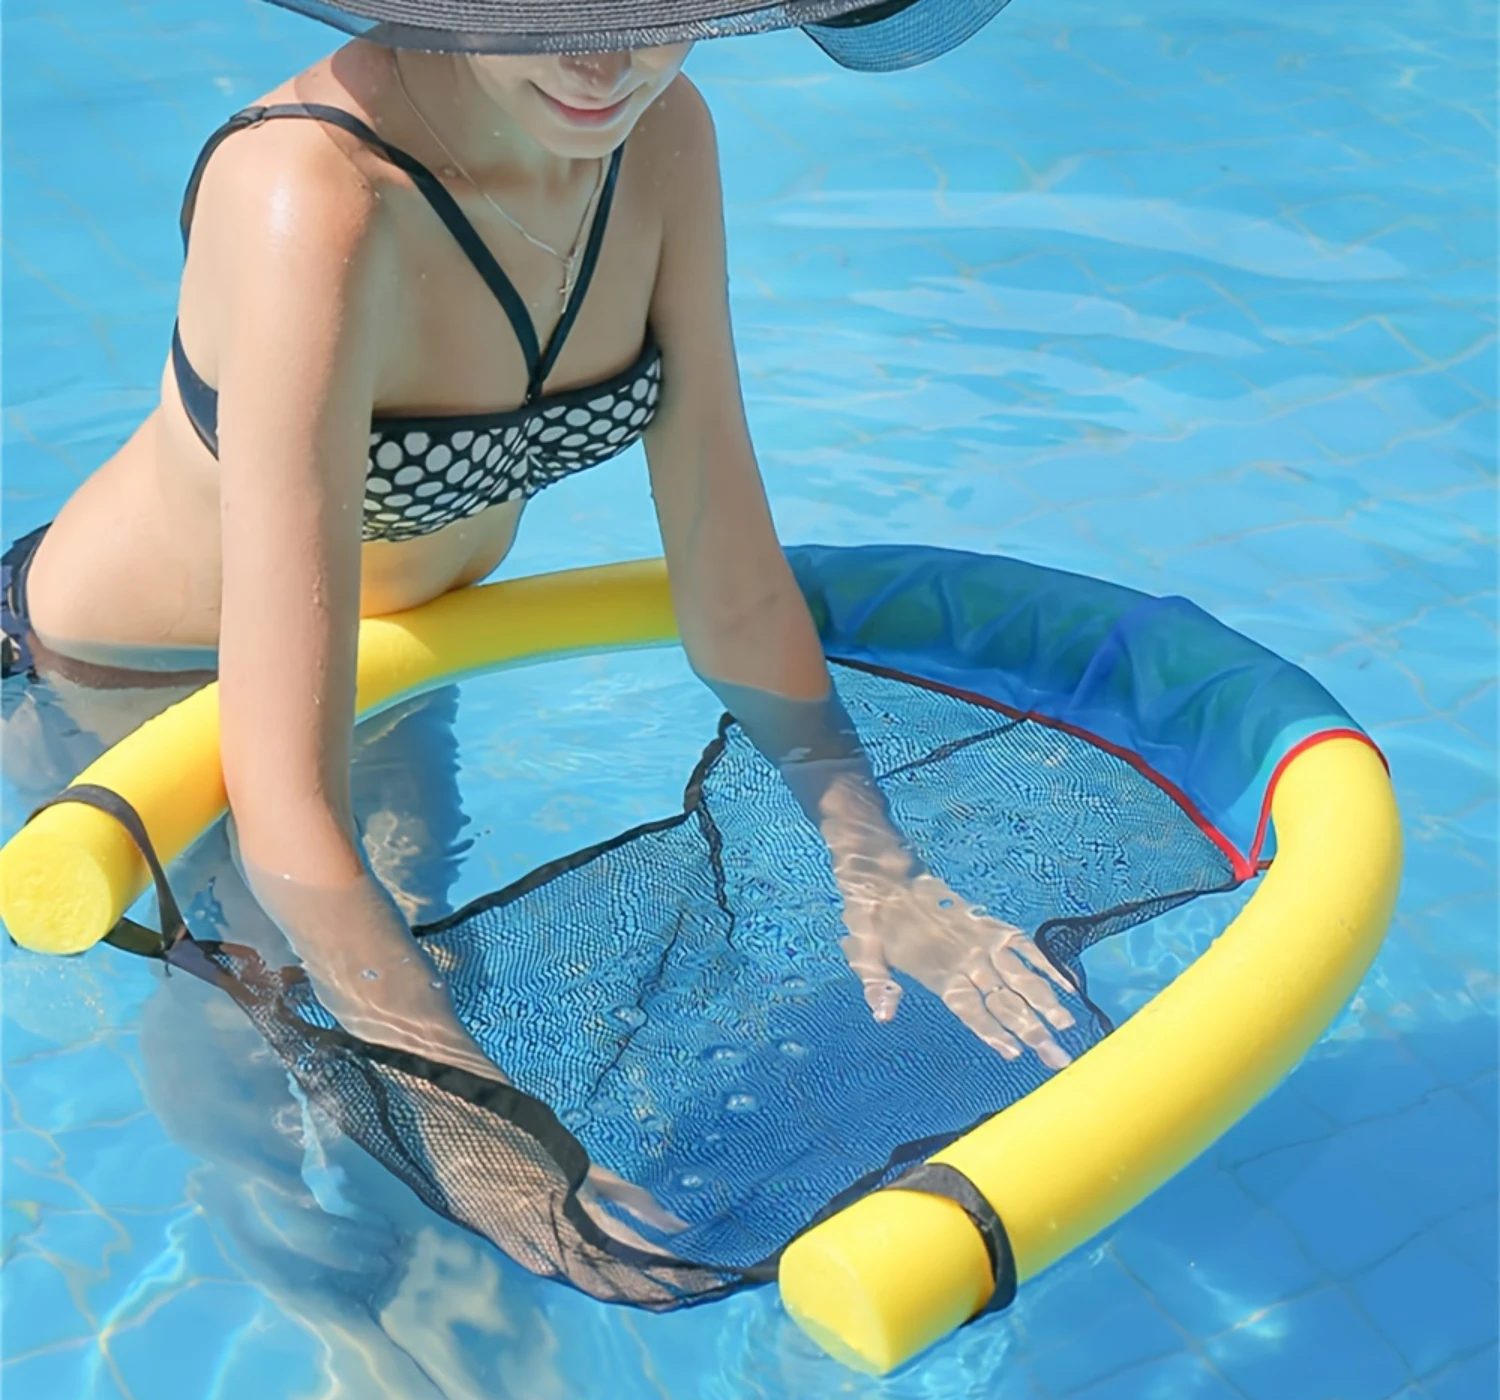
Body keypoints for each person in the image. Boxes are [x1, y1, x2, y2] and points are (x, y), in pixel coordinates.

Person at [1, 0, 1073, 1084]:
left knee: (428, 974)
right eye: (550, 6)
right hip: (113, 687)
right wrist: (500, 1151)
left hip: (392, 655)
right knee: (254, 1024)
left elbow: (726, 562)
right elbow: (284, 805)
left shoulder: (660, 137)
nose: (603, 60)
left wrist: (877, 864)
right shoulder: (309, 192)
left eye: (657, 9)